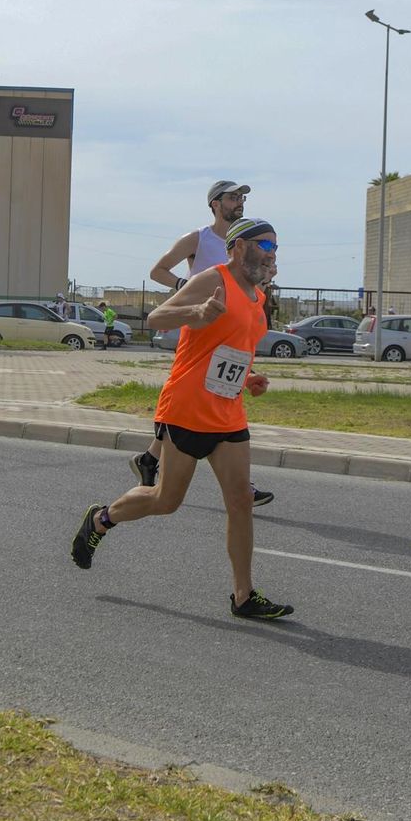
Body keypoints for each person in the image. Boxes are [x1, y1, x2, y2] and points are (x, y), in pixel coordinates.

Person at [72, 217, 292, 620]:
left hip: (227, 413)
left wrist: (250, 379)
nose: (273, 253)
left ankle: (243, 596)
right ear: (239, 247)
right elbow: (158, 319)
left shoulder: (258, 297)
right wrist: (196, 309)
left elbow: (230, 352)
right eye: (266, 245)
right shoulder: (214, 279)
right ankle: (101, 519)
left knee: (241, 500)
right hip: (187, 409)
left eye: (276, 247)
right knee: (166, 500)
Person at [141, 179, 273, 507]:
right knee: (189, 393)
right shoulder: (198, 238)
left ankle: (153, 458)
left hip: (228, 332)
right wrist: (188, 289)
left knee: (216, 391)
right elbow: (158, 270)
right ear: (215, 203)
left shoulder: (244, 240)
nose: (239, 202)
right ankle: (157, 462)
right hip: (197, 322)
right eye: (232, 197)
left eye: (242, 197)